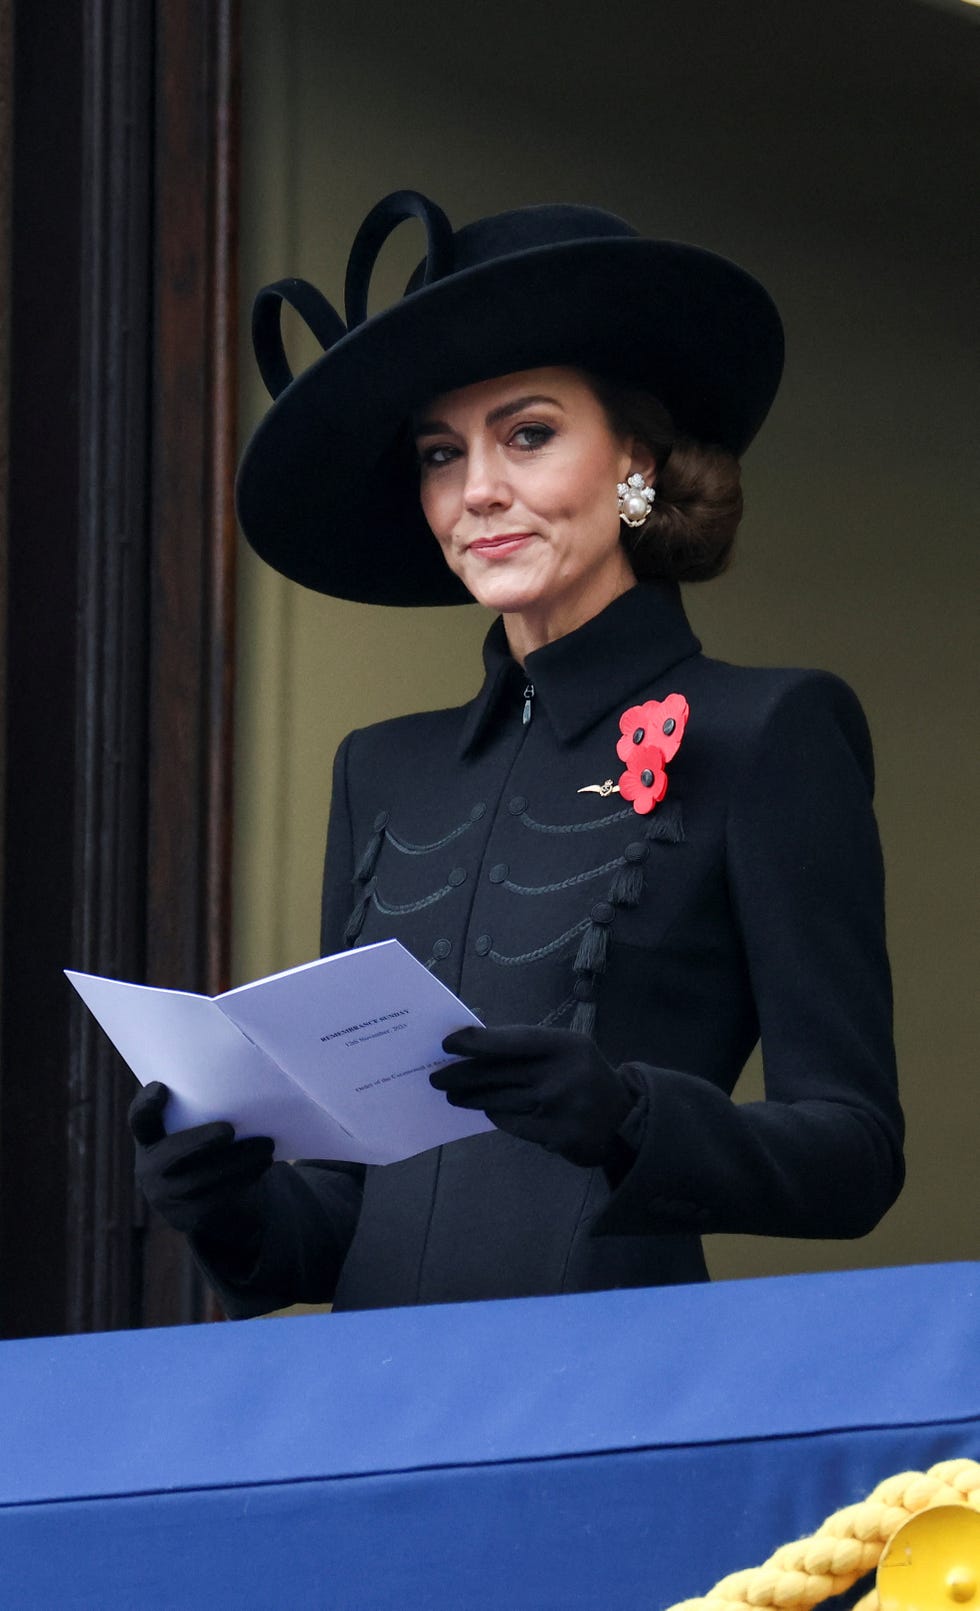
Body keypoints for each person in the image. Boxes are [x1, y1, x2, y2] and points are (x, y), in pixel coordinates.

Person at [129, 190, 904, 1315]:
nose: (476, 488)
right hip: (378, 1406)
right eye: (441, 453)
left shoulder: (770, 731)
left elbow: (855, 1153)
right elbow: (351, 1212)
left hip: (610, 1387)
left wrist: (632, 1117)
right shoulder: (380, 769)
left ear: (636, 464)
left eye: (527, 434)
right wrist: (219, 1198)